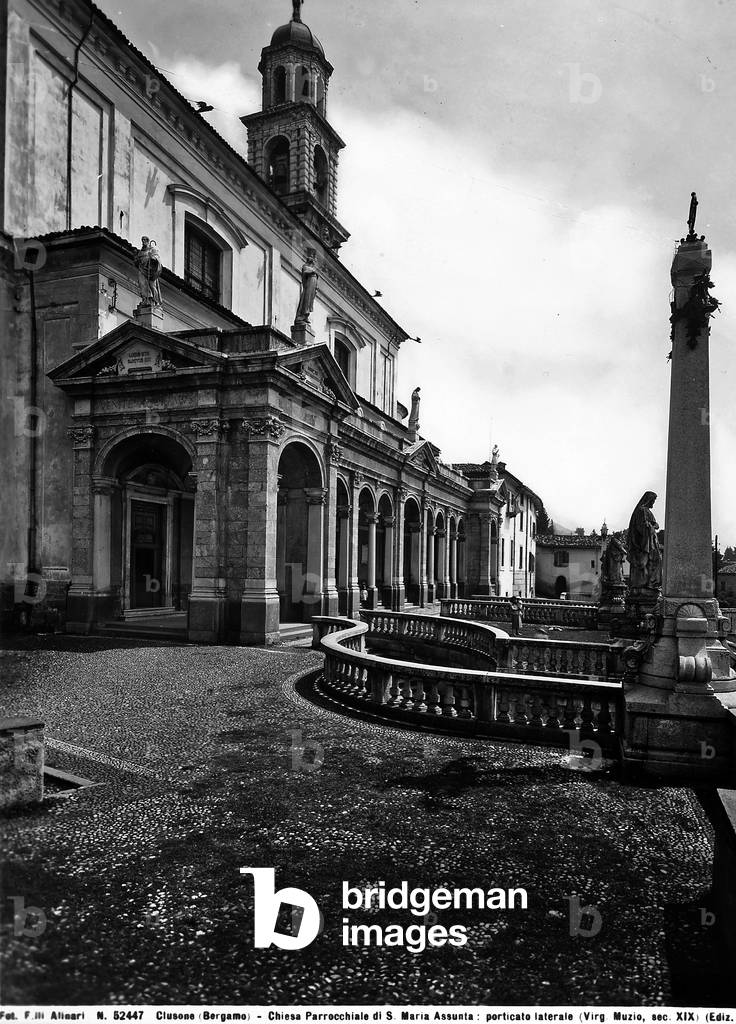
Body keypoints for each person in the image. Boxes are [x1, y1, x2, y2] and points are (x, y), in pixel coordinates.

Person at [627, 491, 662, 592]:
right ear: (648, 500)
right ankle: (649, 584)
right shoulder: (642, 511)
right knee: (649, 563)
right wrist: (649, 526)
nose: (653, 503)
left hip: (650, 541)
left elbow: (656, 525)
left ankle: (650, 584)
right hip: (645, 543)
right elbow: (641, 527)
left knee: (653, 562)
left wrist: (650, 525)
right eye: (653, 501)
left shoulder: (646, 511)